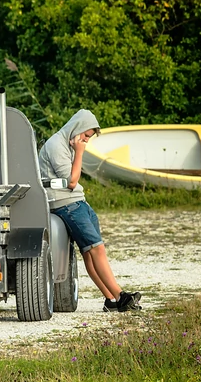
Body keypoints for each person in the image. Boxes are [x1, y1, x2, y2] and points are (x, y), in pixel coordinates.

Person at [38, 109, 142, 312]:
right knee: (97, 248)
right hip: (66, 203)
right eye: (85, 136)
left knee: (90, 252)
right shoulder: (55, 144)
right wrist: (79, 152)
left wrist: (78, 150)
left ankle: (111, 300)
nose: (86, 141)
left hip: (78, 201)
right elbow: (72, 181)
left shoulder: (68, 144)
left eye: (88, 138)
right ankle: (121, 296)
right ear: (77, 128)